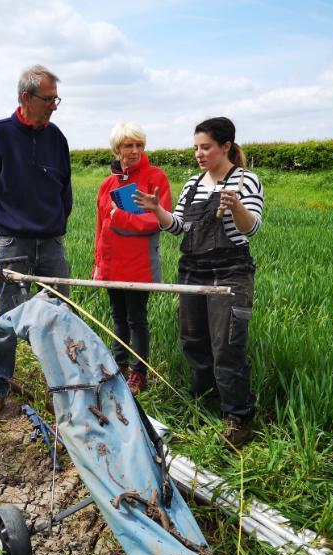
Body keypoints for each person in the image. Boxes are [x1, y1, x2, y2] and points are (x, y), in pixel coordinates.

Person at [135, 117, 264, 450]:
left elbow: (250, 228)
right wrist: (158, 210)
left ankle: (238, 417)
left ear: (225, 146)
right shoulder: (193, 184)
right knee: (193, 339)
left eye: (205, 147)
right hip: (192, 269)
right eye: (196, 148)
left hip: (230, 271)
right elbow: (179, 227)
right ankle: (204, 401)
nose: (199, 154)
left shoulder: (245, 180)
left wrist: (235, 206)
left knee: (227, 345)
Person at [0, 65, 72, 422]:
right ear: (26, 97)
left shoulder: (56, 138)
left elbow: (65, 191)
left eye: (56, 98)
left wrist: (57, 225)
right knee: (8, 319)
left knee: (61, 317)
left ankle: (63, 390)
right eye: (49, 99)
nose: (54, 106)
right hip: (13, 243)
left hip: (52, 244)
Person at [92, 122, 172, 396]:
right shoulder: (107, 184)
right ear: (117, 148)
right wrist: (97, 264)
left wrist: (121, 216)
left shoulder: (155, 178)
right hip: (111, 263)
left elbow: (158, 221)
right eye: (129, 145)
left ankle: (139, 374)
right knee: (117, 317)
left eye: (139, 145)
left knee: (137, 318)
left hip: (139, 264)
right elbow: (100, 226)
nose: (135, 150)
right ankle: (118, 367)